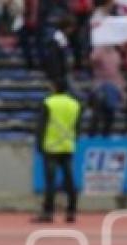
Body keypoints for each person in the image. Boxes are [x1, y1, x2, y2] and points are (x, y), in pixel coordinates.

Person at [33, 78, 81, 224]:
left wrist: (39, 144)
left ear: (54, 87)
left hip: (51, 146)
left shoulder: (49, 103)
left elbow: (41, 125)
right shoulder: (75, 104)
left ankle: (48, 212)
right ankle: (71, 211)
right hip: (67, 145)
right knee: (69, 180)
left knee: (50, 182)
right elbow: (77, 126)